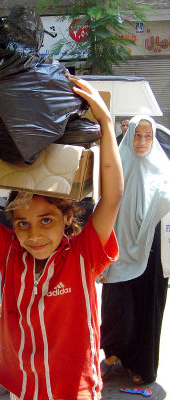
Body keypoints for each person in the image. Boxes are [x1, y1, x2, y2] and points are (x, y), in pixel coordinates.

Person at [0, 76, 123, 400]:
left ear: (67, 218)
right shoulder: (8, 252)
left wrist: (105, 121)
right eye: (22, 224)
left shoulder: (83, 255)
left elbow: (112, 198)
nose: (34, 234)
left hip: (76, 391)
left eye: (46, 220)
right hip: (22, 389)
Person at [100, 115, 170, 385]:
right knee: (117, 306)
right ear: (129, 137)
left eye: (147, 136)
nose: (142, 141)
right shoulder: (118, 166)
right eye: (137, 135)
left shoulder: (163, 169)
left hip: (152, 251)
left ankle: (141, 363)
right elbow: (105, 208)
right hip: (118, 248)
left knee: (147, 309)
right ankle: (113, 355)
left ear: (153, 139)